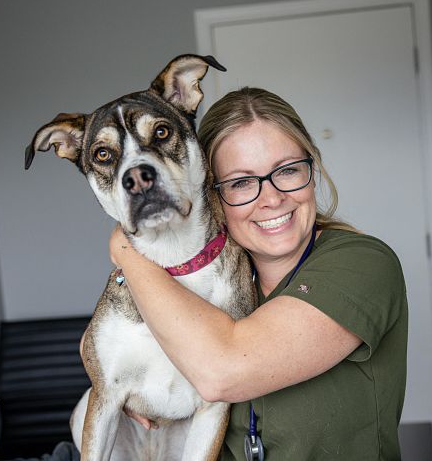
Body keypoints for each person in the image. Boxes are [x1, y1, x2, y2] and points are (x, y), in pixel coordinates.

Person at [108, 87, 408, 460]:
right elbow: (96, 348)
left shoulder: (363, 264)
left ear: (312, 169)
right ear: (211, 195)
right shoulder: (213, 283)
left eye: (288, 170)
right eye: (241, 182)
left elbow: (222, 371)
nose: (272, 198)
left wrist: (125, 247)